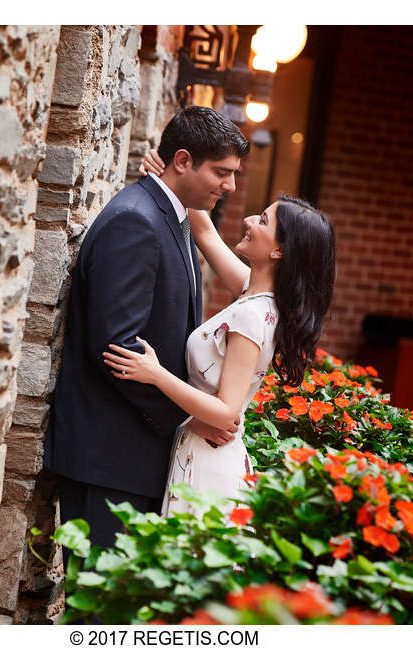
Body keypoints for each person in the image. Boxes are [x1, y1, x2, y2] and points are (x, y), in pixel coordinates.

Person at [44, 106, 250, 550]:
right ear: (181, 160)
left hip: (134, 456)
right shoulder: (136, 221)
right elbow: (118, 348)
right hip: (111, 456)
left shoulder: (174, 217)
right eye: (222, 171)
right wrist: (191, 417)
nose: (230, 185)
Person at [102, 149, 336, 516]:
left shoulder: (252, 317)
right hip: (200, 449)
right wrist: (171, 178)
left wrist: (156, 375)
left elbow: (226, 413)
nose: (247, 220)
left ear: (279, 251)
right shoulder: (255, 293)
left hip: (208, 462)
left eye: (262, 220)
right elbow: (206, 234)